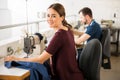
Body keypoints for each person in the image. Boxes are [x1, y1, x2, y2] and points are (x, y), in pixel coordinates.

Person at [4, 3, 84, 80]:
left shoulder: (59, 35)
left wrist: (15, 58)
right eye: (48, 15)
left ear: (62, 17)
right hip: (75, 75)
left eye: (53, 16)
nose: (49, 19)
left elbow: (40, 60)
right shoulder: (67, 30)